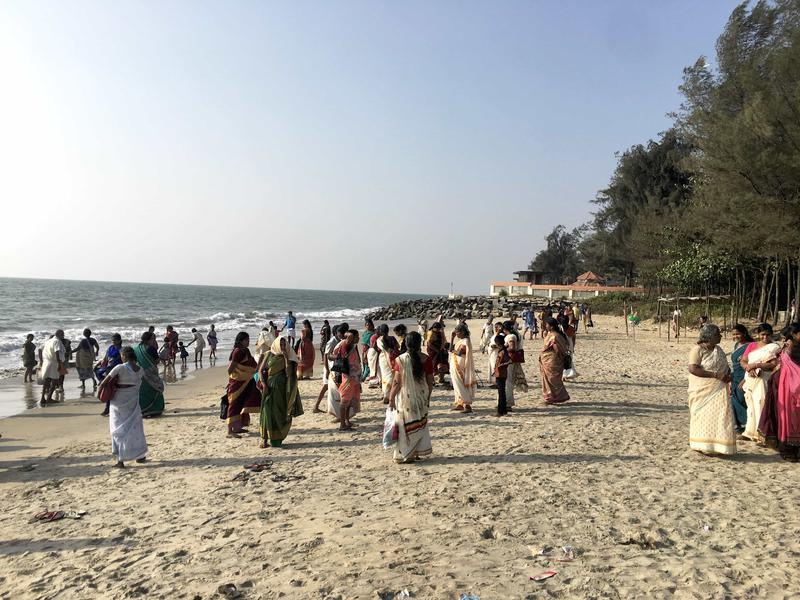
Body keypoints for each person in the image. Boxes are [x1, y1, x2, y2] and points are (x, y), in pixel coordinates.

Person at [687, 324, 735, 456]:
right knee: (701, 415)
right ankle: (701, 444)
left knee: (719, 416)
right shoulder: (697, 350)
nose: (720, 336)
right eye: (717, 334)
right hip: (702, 390)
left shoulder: (718, 349)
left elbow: (724, 365)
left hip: (719, 388)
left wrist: (727, 374)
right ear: (709, 336)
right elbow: (693, 369)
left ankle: (718, 444)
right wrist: (715, 375)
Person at [97, 346, 148, 468]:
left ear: (124, 356)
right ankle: (140, 455)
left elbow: (104, 382)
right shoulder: (140, 369)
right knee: (135, 428)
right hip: (133, 401)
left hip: (118, 403)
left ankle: (120, 460)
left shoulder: (120, 368)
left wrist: (99, 393)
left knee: (117, 429)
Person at [388, 331, 434, 463]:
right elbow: (430, 381)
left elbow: (397, 382)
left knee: (407, 424)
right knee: (420, 422)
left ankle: (408, 453)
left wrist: (391, 398)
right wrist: (428, 396)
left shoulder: (401, 360)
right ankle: (417, 452)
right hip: (421, 394)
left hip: (406, 396)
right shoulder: (426, 359)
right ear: (420, 343)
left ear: (406, 343)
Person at [758, 323, 800, 461]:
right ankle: (788, 450)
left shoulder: (791, 350)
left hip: (789, 389)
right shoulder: (788, 350)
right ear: (794, 335)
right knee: (788, 418)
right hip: (786, 390)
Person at [259, 337, 303, 448]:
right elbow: (260, 370)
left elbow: (289, 373)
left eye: (284, 345)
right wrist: (264, 384)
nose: (282, 347)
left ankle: (276, 440)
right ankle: (264, 439)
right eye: (281, 345)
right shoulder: (269, 354)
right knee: (266, 411)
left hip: (282, 390)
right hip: (269, 388)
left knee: (279, 414)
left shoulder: (290, 357)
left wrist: (286, 358)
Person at [740, 323, 780, 442]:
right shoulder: (752, 345)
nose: (765, 337)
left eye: (768, 334)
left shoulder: (774, 347)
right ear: (758, 334)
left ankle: (761, 434)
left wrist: (756, 365)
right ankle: (749, 432)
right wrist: (748, 368)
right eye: (762, 334)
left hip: (764, 379)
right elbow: (743, 360)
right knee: (750, 405)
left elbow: (773, 365)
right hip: (750, 378)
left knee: (761, 404)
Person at [225, 332, 261, 437]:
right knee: (234, 404)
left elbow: (252, 364)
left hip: (246, 381)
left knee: (242, 402)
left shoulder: (246, 350)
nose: (248, 341)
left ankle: (237, 428)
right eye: (246, 340)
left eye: (249, 339)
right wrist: (240, 374)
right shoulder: (237, 352)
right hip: (237, 383)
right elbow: (230, 370)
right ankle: (229, 431)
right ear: (241, 341)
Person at [333, 329, 362, 430]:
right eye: (356, 336)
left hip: (355, 378)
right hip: (348, 378)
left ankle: (347, 421)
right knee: (344, 400)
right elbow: (336, 353)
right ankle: (342, 424)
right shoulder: (346, 345)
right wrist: (348, 336)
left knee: (349, 401)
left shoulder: (354, 346)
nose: (358, 338)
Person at [315, 323, 346, 413]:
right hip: (329, 367)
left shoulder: (339, 341)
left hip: (334, 368)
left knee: (332, 387)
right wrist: (327, 370)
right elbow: (326, 356)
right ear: (336, 333)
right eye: (339, 333)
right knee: (326, 386)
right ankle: (316, 406)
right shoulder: (332, 341)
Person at [539, 317, 570, 405]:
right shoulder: (551, 334)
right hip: (547, 360)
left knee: (553, 379)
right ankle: (550, 396)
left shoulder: (555, 336)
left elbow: (558, 349)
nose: (546, 326)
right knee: (548, 379)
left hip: (552, 361)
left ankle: (554, 397)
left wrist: (559, 357)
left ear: (551, 326)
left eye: (547, 325)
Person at [134, 332, 165, 418]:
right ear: (148, 340)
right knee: (156, 388)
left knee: (144, 392)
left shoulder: (137, 348)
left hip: (140, 373)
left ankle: (143, 410)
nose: (154, 340)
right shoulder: (150, 349)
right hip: (150, 373)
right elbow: (157, 361)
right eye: (153, 339)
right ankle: (156, 409)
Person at [730, 324, 753, 434]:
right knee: (734, 400)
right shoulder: (736, 345)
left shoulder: (751, 346)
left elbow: (751, 363)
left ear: (744, 333)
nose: (736, 336)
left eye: (738, 334)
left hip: (745, 376)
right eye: (734, 334)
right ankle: (739, 426)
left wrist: (745, 379)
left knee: (742, 400)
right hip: (735, 377)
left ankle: (746, 426)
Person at [449, 323, 476, 413]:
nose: (456, 334)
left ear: (463, 332)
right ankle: (460, 404)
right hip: (455, 364)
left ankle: (467, 406)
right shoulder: (460, 340)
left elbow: (461, 352)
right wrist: (452, 338)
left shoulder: (466, 341)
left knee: (460, 384)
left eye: (458, 333)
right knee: (456, 385)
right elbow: (451, 349)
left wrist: (453, 350)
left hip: (460, 365)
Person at [97, 334, 124, 416]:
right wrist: (100, 364)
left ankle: (112, 409)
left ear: (119, 341)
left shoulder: (121, 350)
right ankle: (107, 409)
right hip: (109, 371)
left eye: (115, 340)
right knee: (108, 389)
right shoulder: (110, 348)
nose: (113, 342)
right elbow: (106, 359)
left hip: (118, 372)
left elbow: (124, 361)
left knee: (116, 391)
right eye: (112, 340)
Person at [503, 320, 528, 407]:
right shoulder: (514, 335)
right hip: (511, 361)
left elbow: (512, 348)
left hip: (510, 361)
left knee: (508, 381)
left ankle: (508, 402)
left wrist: (502, 349)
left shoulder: (511, 336)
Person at [39, 330, 66, 404]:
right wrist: (59, 364)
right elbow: (57, 351)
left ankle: (42, 398)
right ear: (59, 334)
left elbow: (41, 349)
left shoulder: (48, 341)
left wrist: (41, 361)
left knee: (46, 381)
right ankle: (49, 398)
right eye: (63, 334)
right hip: (54, 362)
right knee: (54, 381)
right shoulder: (57, 341)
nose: (63, 336)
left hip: (46, 362)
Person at [376, 324, 399, 403]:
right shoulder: (392, 338)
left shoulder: (379, 340)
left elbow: (382, 349)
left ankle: (386, 395)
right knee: (392, 376)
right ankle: (392, 394)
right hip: (393, 359)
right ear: (388, 330)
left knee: (385, 377)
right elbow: (397, 347)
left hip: (383, 359)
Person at [493, 334, 511, 416]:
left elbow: (506, 362)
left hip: (501, 374)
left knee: (501, 393)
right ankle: (503, 410)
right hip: (500, 373)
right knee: (502, 392)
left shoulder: (503, 352)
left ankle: (500, 411)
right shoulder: (503, 351)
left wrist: (499, 366)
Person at [426, 321, 449, 386]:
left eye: (439, 328)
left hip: (440, 351)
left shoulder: (440, 333)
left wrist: (442, 349)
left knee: (443, 364)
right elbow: (429, 344)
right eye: (437, 328)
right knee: (433, 366)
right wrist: (436, 350)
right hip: (433, 352)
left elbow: (443, 341)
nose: (438, 330)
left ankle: (441, 379)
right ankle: (432, 380)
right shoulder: (431, 333)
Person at [486, 322, 504, 387]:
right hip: (492, 353)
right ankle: (494, 382)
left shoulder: (502, 335)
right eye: (496, 327)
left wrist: (495, 347)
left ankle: (497, 382)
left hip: (497, 353)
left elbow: (502, 345)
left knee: (496, 367)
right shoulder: (494, 335)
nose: (497, 328)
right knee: (492, 366)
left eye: (498, 327)